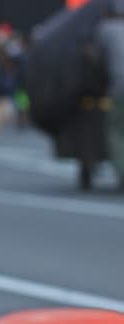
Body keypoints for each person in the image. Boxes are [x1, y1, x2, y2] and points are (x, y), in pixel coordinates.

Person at [97, 0, 124, 188]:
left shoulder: (106, 28)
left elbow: (97, 58)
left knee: (115, 129)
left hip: (119, 85)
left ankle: (122, 171)